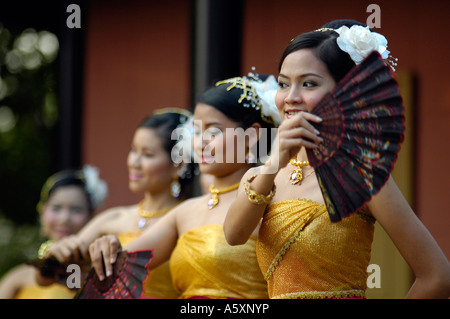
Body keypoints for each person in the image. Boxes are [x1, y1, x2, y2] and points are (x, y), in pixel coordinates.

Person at [223, 19, 450, 299]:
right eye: (284, 84)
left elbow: (437, 276)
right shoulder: (261, 175)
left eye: (308, 84)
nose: (291, 98)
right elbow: (234, 236)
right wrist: (273, 162)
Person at [88, 73, 281, 299]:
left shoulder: (269, 201)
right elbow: (120, 265)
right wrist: (108, 248)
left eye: (213, 131)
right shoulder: (184, 213)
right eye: (197, 131)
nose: (200, 142)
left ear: (251, 136)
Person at [40, 108, 198, 299]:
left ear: (178, 165)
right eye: (133, 150)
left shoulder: (190, 219)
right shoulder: (113, 218)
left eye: (147, 154)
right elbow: (51, 278)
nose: (134, 162)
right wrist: (53, 255)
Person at [0, 165, 108, 299]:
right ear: (42, 211)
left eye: (76, 210)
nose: (64, 219)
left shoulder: (102, 274)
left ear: (92, 217)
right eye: (56, 208)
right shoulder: (17, 278)